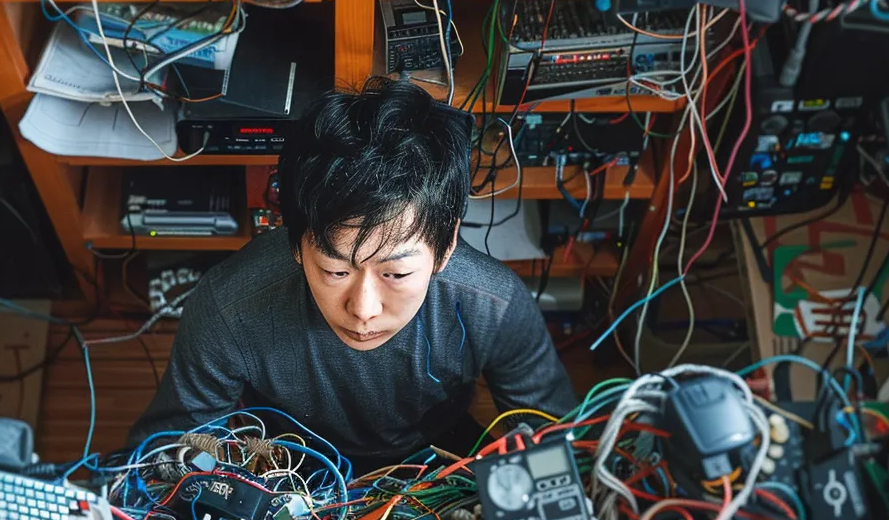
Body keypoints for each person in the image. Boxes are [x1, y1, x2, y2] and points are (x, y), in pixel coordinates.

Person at [128, 77, 576, 469]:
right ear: (296, 243)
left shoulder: (493, 304)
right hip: (285, 458)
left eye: (395, 274)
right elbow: (165, 455)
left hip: (434, 453)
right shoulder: (231, 304)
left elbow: (559, 444)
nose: (363, 310)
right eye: (335, 270)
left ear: (446, 247)